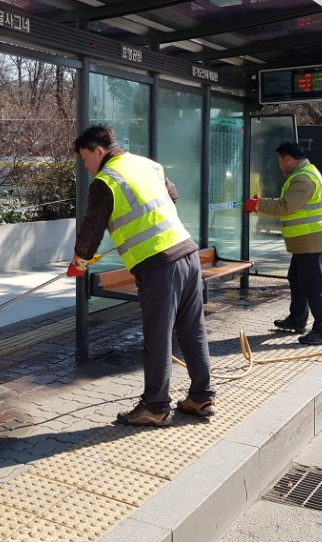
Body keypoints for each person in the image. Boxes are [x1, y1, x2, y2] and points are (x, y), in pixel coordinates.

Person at [70, 126, 215, 426]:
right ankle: (201, 397)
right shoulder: (148, 164)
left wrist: (79, 261)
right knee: (192, 330)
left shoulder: (106, 180)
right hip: (187, 253)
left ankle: (156, 406)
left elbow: (92, 226)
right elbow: (171, 197)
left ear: (99, 151)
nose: (85, 166)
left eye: (85, 158)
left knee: (157, 336)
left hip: (160, 265)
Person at [244, 141, 322, 345]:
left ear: (288, 158)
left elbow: (286, 206)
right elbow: (291, 203)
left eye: (279, 160)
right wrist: (265, 202)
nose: (278, 164)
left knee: (312, 286)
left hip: (312, 239)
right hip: (306, 241)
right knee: (296, 278)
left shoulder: (303, 178)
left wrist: (258, 205)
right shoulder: (302, 174)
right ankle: (297, 319)